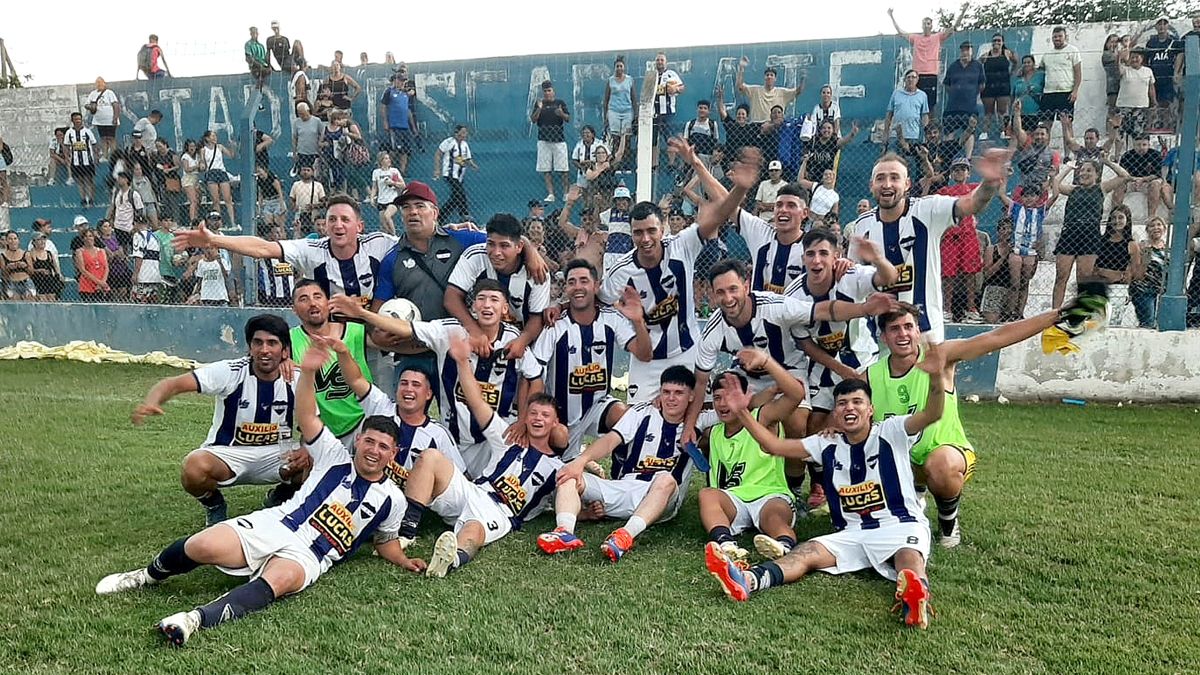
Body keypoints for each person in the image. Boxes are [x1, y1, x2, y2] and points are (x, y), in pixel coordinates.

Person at [97, 342, 422, 647]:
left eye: (383, 447)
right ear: (359, 440)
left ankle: (192, 620)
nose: (374, 451)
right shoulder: (334, 455)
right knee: (202, 544)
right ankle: (146, 576)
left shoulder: (393, 500)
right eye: (369, 442)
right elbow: (308, 415)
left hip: (310, 557)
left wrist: (405, 561)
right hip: (277, 524)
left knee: (281, 580)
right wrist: (308, 372)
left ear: (393, 453)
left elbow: (386, 542)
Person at [703, 345, 948, 629]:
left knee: (908, 556)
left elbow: (932, 413)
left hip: (901, 525)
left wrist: (935, 379)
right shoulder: (826, 443)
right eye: (842, 403)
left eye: (857, 402)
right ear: (835, 412)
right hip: (852, 533)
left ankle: (915, 598)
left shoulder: (892, 431)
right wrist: (743, 412)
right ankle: (749, 579)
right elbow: (772, 445)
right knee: (806, 553)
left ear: (871, 410)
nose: (849, 408)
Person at [866, 294, 1105, 548]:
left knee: (941, 465)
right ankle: (913, 493)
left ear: (917, 330)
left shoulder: (940, 356)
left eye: (908, 327)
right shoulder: (871, 376)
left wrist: (1057, 315)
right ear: (883, 337)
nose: (903, 334)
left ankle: (948, 522)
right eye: (894, 329)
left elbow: (995, 338)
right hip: (903, 461)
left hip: (946, 452)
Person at [332, 279, 540, 478]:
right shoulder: (450, 331)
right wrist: (362, 314)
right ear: (473, 306)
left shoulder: (514, 339)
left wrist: (523, 421)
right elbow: (406, 327)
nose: (487, 305)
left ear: (505, 308)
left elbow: (534, 378)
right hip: (455, 435)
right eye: (481, 298)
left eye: (494, 300)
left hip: (497, 437)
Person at [398, 333, 566, 577]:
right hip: (473, 490)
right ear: (525, 417)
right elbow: (477, 402)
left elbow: (565, 501)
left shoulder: (558, 468)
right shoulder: (508, 437)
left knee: (474, 530)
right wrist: (462, 362)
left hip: (500, 512)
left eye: (545, 416)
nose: (538, 419)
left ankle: (450, 560)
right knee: (431, 456)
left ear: (554, 423)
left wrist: (589, 511)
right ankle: (406, 533)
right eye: (534, 413)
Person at [696, 257, 899, 438]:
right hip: (749, 378)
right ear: (713, 296)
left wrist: (863, 309)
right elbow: (700, 382)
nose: (728, 298)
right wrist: (689, 428)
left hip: (789, 372)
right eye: (720, 292)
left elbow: (821, 310)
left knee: (798, 426)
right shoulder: (713, 330)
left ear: (746, 286)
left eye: (733, 289)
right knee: (712, 434)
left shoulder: (774, 306)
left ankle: (791, 480)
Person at [131, 315, 299, 526]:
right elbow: (174, 384)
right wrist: (152, 401)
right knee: (193, 468)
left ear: (284, 351)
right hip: (228, 454)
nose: (264, 350)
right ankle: (214, 504)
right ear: (250, 347)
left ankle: (283, 495)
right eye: (258, 342)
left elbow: (316, 421)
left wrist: (308, 449)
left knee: (317, 458)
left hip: (277, 455)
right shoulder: (230, 372)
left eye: (272, 343)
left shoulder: (297, 377)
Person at [597, 162, 726, 404]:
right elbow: (601, 303)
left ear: (662, 229)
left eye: (651, 230)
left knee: (701, 420)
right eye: (638, 232)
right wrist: (627, 332)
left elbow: (722, 210)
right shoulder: (621, 271)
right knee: (637, 426)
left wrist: (695, 163)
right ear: (631, 233)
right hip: (647, 361)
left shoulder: (681, 245)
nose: (645, 239)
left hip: (688, 351)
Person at [541, 366, 698, 562]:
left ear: (692, 396)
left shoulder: (700, 420)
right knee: (569, 476)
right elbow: (610, 441)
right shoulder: (642, 411)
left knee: (666, 479)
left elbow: (731, 413)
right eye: (666, 392)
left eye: (679, 393)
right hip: (624, 488)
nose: (671, 398)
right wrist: (580, 462)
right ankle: (564, 531)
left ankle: (625, 536)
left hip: (662, 499)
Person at [849, 149, 1009, 342]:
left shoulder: (927, 209)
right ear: (871, 185)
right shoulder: (862, 225)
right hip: (877, 336)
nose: (887, 184)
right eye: (880, 178)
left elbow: (972, 203)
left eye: (894, 178)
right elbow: (855, 279)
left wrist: (989, 182)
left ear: (907, 184)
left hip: (926, 332)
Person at [521, 259, 650, 459]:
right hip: (560, 413)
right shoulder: (555, 326)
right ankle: (570, 460)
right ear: (566, 288)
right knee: (560, 472)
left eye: (584, 281)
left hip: (597, 406)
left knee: (626, 417)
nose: (578, 287)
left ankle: (622, 472)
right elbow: (534, 374)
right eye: (571, 282)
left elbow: (644, 353)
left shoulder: (611, 318)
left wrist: (638, 321)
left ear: (596, 286)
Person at [316, 331, 465, 490]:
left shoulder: (438, 434)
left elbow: (458, 478)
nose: (408, 389)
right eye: (404, 383)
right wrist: (343, 352)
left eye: (416, 385)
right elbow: (355, 379)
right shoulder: (380, 406)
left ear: (428, 394)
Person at [174, 194, 396, 301]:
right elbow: (263, 248)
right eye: (332, 219)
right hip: (327, 336)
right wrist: (214, 240)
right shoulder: (312, 249)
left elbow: (415, 244)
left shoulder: (379, 244)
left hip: (373, 336)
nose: (338, 225)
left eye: (345, 220)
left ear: (360, 226)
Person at [698, 355, 806, 565]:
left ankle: (784, 547)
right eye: (718, 398)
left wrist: (766, 363)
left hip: (769, 494)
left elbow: (796, 395)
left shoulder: (762, 418)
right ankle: (726, 545)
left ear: (744, 398)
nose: (722, 404)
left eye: (729, 397)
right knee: (707, 495)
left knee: (773, 517)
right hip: (734, 500)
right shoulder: (713, 433)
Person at [446, 214, 550, 358]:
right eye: (491, 244)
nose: (496, 252)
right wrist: (474, 330)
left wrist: (522, 341)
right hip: (479, 339)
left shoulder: (536, 271)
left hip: (520, 345)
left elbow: (537, 317)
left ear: (519, 246)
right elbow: (451, 297)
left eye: (504, 246)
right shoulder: (475, 255)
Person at [287, 278, 373, 453]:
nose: (312, 303)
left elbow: (394, 339)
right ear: (294, 310)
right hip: (319, 428)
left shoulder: (357, 331)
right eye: (303, 299)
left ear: (328, 302)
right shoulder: (288, 340)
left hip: (362, 422)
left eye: (317, 296)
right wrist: (281, 362)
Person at [1051, 158, 1130, 309]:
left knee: (1083, 278)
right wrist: (1069, 168)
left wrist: (1106, 162)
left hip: (1090, 236)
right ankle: (1054, 313)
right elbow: (1056, 184)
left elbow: (1124, 176)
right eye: (1082, 170)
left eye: (1089, 170)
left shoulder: (1101, 188)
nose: (1084, 173)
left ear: (1097, 174)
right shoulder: (1073, 189)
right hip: (1069, 234)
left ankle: (1079, 313)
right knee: (1061, 277)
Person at [888, 7, 965, 109]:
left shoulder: (937, 37)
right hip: (917, 75)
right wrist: (891, 16)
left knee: (930, 105)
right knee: (915, 102)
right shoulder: (915, 38)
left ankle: (929, 125)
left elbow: (954, 28)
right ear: (922, 25)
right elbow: (900, 32)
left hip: (931, 75)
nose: (926, 25)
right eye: (924, 23)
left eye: (928, 23)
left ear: (931, 26)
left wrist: (963, 11)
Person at [936, 158, 984, 324]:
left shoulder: (973, 188)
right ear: (951, 173)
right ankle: (946, 309)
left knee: (970, 272)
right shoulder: (944, 191)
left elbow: (986, 193)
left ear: (968, 173)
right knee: (948, 273)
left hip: (968, 233)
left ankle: (971, 309)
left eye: (963, 169)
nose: (959, 172)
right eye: (956, 169)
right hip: (950, 235)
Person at [998, 184, 1052, 320]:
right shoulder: (1016, 208)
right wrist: (1004, 179)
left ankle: (1019, 312)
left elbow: (1055, 195)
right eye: (1026, 196)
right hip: (1016, 250)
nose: (1029, 198)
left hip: (1031, 251)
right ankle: (1009, 311)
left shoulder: (1040, 211)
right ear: (1022, 197)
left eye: (1032, 196)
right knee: (1015, 283)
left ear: (1038, 198)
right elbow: (1002, 195)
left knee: (1025, 283)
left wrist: (1053, 178)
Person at [1037, 26, 1083, 135]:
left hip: (1066, 92)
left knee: (1066, 124)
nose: (1057, 39)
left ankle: (1068, 152)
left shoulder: (1073, 51)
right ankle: (1044, 151)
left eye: (1059, 36)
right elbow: (1039, 70)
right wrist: (1024, 70)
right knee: (1046, 125)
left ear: (1065, 37)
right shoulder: (1047, 55)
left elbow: (1078, 73)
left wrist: (1075, 91)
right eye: (1055, 37)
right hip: (1048, 93)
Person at [532, 80, 571, 203]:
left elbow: (568, 118)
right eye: (545, 91)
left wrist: (561, 114)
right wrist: (539, 109)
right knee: (546, 169)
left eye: (549, 90)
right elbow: (533, 120)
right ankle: (551, 194)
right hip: (543, 141)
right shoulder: (539, 103)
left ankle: (565, 193)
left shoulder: (560, 103)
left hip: (559, 141)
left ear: (553, 91)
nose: (547, 93)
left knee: (563, 169)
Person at [1113, 135, 1166, 219]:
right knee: (1119, 184)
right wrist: (1134, 179)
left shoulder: (1155, 155)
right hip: (1131, 180)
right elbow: (1122, 174)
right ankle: (1116, 214)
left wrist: (1143, 179)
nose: (1141, 147)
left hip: (1149, 181)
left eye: (1144, 145)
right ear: (1134, 145)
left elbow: (1157, 175)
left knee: (1155, 185)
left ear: (1149, 145)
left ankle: (1151, 216)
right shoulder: (1127, 155)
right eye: (1138, 145)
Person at [1130, 216, 1169, 328]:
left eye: (1159, 225)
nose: (1156, 228)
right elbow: (1137, 271)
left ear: (1164, 229)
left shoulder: (1168, 248)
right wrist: (1146, 256)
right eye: (1152, 226)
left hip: (1162, 291)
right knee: (1147, 323)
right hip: (1144, 289)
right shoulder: (1141, 247)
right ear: (1147, 230)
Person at [736, 57, 801, 124]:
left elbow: (798, 91)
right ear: (764, 77)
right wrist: (741, 68)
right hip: (756, 126)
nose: (769, 77)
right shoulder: (755, 90)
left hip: (774, 126)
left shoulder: (782, 92)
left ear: (775, 78)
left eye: (771, 75)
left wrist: (803, 79)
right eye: (767, 75)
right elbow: (739, 86)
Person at [434, 125, 477, 223]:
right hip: (449, 174)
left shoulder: (465, 145)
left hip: (460, 175)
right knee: (461, 194)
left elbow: (467, 158)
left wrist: (473, 165)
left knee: (455, 198)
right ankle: (464, 216)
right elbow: (438, 154)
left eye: (465, 132)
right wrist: (437, 169)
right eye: (462, 132)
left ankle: (440, 218)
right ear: (456, 133)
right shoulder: (448, 142)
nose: (464, 135)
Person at [978, 34, 1018, 139]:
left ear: (1003, 42)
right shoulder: (986, 55)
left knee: (1003, 110)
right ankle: (985, 132)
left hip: (1003, 86)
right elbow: (977, 65)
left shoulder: (1007, 53)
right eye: (994, 40)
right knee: (988, 111)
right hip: (989, 86)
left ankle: (1004, 131)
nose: (996, 43)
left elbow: (1016, 62)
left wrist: (1012, 72)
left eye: (999, 41)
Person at [942, 42, 985, 137]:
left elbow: (982, 85)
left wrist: (971, 93)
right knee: (949, 131)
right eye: (963, 50)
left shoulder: (977, 66)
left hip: (970, 106)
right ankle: (947, 151)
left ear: (971, 51)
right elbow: (946, 85)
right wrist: (955, 93)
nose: (965, 52)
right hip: (952, 107)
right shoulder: (953, 66)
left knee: (969, 132)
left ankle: (969, 153)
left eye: (967, 50)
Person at [651, 52, 685, 171]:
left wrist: (674, 88)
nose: (659, 62)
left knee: (669, 137)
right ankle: (654, 164)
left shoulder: (671, 74)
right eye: (658, 60)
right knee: (653, 139)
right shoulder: (652, 75)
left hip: (668, 112)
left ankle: (672, 163)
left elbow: (681, 87)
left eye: (662, 60)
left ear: (665, 62)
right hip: (654, 112)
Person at [882, 71, 929, 154]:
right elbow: (889, 114)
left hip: (913, 135)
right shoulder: (896, 94)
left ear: (917, 80)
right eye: (908, 77)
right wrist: (886, 133)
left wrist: (925, 134)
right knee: (893, 160)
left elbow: (924, 115)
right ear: (904, 79)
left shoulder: (922, 95)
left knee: (910, 163)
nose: (911, 79)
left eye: (913, 77)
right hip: (895, 135)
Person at [199, 130, 238, 228]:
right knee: (215, 200)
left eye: (215, 136)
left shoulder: (219, 147)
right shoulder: (203, 150)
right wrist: (202, 165)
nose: (215, 138)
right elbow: (202, 162)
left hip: (221, 172)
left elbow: (231, 155)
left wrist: (233, 146)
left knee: (228, 198)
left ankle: (232, 222)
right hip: (211, 172)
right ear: (207, 138)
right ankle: (218, 223)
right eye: (212, 136)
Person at [1093, 205, 1140, 286]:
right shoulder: (1099, 241)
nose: (1116, 221)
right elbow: (1091, 268)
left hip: (1119, 286)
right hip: (1098, 283)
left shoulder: (1132, 244)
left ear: (1127, 220)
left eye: (1121, 217)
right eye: (1113, 218)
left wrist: (1120, 276)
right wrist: (1113, 274)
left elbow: (1134, 272)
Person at [380, 72, 417, 174]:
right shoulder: (389, 92)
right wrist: (385, 122)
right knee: (394, 149)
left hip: (405, 126)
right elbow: (383, 107)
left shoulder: (405, 93)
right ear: (395, 80)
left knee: (405, 150)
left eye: (404, 81)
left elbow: (407, 110)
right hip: (394, 126)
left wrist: (413, 126)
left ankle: (402, 171)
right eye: (400, 80)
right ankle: (387, 169)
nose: (402, 83)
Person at [65, 112, 99, 206]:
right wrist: (67, 156)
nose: (78, 121)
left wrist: (96, 157)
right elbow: (66, 146)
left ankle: (91, 199)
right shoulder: (69, 133)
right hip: (75, 161)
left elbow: (94, 144)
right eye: (76, 119)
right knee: (80, 181)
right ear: (72, 120)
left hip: (88, 160)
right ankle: (83, 199)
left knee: (89, 180)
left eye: (79, 119)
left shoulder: (87, 131)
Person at [603, 56, 636, 149]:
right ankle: (617, 158)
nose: (619, 68)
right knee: (615, 136)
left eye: (621, 66)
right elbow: (606, 99)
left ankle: (626, 158)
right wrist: (605, 115)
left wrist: (636, 114)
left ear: (624, 67)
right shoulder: (610, 81)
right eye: (617, 66)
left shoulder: (630, 80)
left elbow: (633, 98)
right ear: (614, 68)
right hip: (614, 111)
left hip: (627, 111)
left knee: (627, 136)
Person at [86, 77, 121, 161]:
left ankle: (113, 156)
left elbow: (115, 105)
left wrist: (115, 117)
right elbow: (86, 104)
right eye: (97, 82)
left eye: (101, 82)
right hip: (99, 121)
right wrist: (91, 107)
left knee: (111, 138)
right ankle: (105, 155)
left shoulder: (109, 93)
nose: (99, 84)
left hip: (110, 120)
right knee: (103, 138)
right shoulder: (92, 94)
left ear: (104, 83)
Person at [1010, 55, 1044, 131]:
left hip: (1034, 112)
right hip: (1019, 113)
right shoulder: (1018, 78)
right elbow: (1012, 96)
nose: (1026, 64)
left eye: (1029, 62)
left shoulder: (1040, 76)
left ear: (1033, 63)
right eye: (1024, 63)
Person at [75, 228, 110, 301]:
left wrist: (102, 282)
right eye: (86, 236)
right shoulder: (80, 252)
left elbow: (106, 268)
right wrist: (98, 282)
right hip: (87, 285)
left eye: (90, 236)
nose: (88, 238)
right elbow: (83, 270)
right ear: (83, 239)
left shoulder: (102, 251)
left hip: (102, 284)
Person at [27, 233, 63, 301]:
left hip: (49, 282)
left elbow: (56, 268)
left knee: (51, 299)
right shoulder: (30, 254)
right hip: (38, 281)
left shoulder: (49, 254)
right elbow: (29, 270)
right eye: (39, 239)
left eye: (43, 239)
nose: (42, 241)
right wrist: (40, 270)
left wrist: (58, 276)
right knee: (42, 299)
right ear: (34, 242)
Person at [1, 232, 35, 300]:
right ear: (7, 241)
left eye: (15, 239)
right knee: (14, 302)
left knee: (29, 300)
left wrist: (25, 266)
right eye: (10, 239)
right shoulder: (2, 256)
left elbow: (32, 272)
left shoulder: (26, 254)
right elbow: (4, 275)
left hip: (26, 282)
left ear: (18, 241)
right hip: (12, 283)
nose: (13, 241)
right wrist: (8, 268)